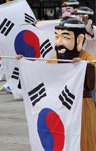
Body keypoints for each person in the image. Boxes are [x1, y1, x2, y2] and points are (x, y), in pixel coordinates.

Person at [48, 17, 96, 151]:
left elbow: (91, 84)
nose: (58, 43)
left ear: (79, 40)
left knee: (83, 141)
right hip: (60, 108)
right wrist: (25, 64)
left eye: (65, 38)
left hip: (82, 107)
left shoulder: (88, 58)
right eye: (57, 37)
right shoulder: (54, 59)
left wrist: (83, 67)